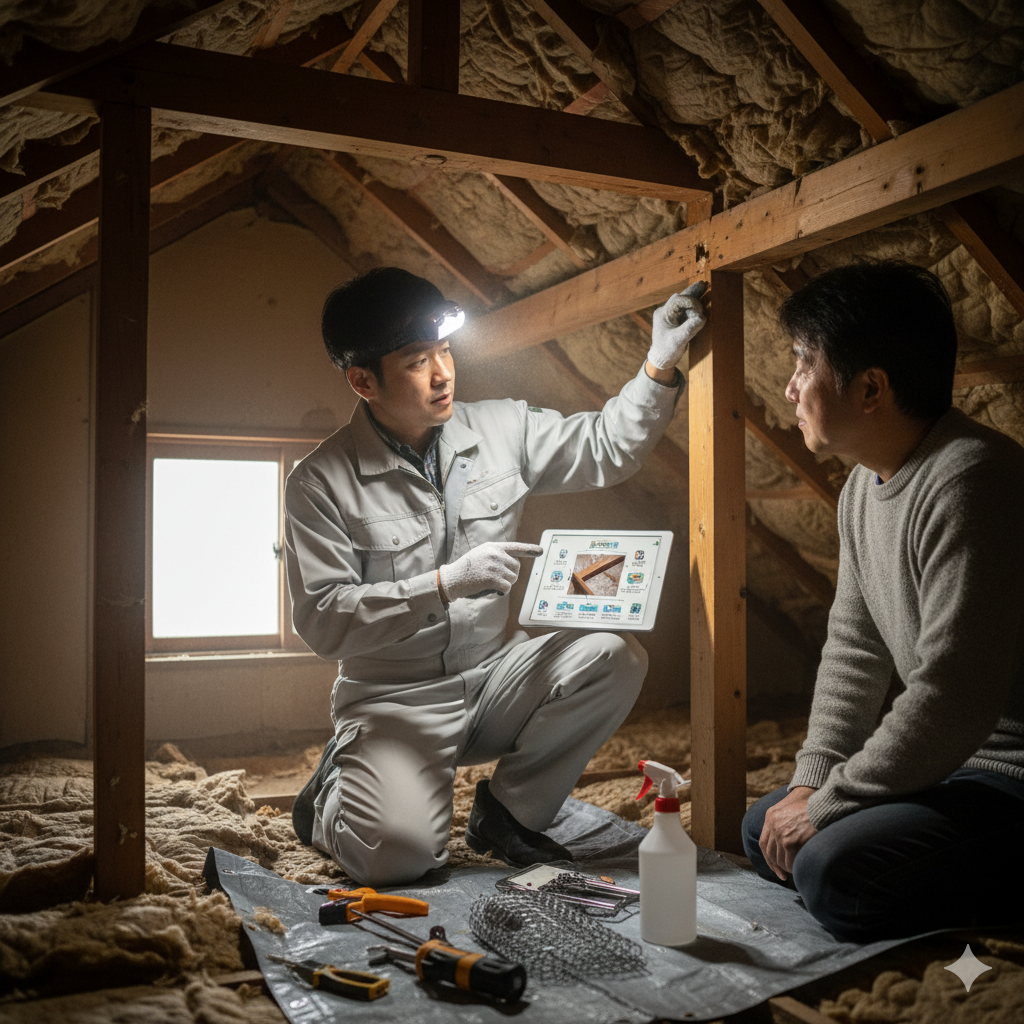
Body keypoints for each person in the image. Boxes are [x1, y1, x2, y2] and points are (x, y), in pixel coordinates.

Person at [285, 266, 707, 887]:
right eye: (415, 361)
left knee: (614, 655)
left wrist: (658, 364)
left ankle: (508, 813)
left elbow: (607, 447)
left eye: (445, 351)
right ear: (361, 379)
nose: (442, 374)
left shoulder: (502, 426)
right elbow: (324, 620)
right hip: (394, 703)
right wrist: (444, 584)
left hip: (494, 676)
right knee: (398, 861)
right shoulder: (320, 482)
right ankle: (329, 798)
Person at [742, 260, 1024, 941]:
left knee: (837, 872)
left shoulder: (973, 479)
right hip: (949, 766)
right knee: (764, 827)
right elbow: (853, 650)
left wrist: (833, 803)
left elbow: (956, 695)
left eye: (804, 363)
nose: (789, 387)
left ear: (870, 387)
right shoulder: (862, 491)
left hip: (1010, 774)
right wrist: (813, 783)